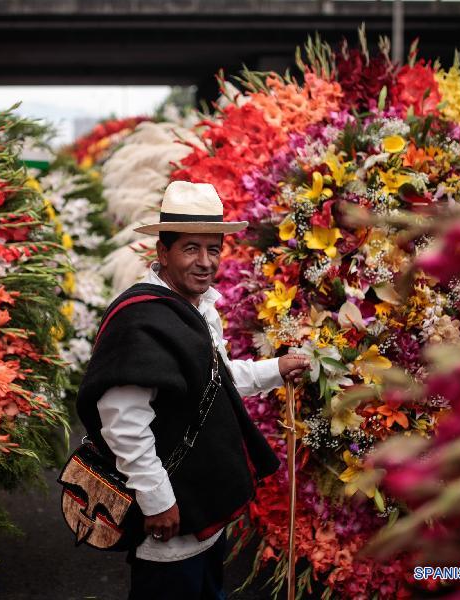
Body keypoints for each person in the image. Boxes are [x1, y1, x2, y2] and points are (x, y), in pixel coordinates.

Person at [76, 181, 309, 599]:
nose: (205, 262)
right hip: (172, 517)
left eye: (213, 249)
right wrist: (157, 501)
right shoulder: (143, 320)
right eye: (190, 249)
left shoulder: (194, 308)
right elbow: (123, 424)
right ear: (162, 252)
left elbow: (212, 381)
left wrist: (276, 369)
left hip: (201, 509)